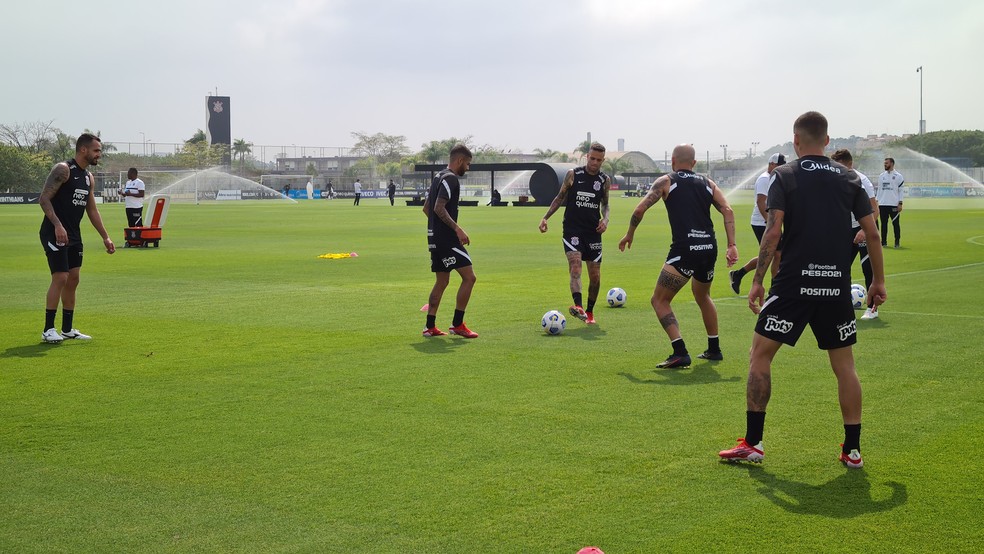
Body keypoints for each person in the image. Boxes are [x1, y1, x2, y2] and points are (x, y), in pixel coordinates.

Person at [718, 111, 887, 469]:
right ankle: (853, 451)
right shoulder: (851, 177)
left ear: (795, 141)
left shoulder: (785, 175)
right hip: (836, 286)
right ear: (827, 140)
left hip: (793, 284)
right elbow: (872, 233)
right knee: (845, 367)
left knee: (760, 355)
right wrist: (878, 281)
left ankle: (753, 443)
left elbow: (773, 231)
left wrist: (758, 280)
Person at [619, 144, 738, 367]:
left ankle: (680, 351)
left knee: (659, 300)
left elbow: (639, 209)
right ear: (694, 163)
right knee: (703, 296)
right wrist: (732, 245)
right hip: (708, 248)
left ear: (673, 161)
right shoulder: (708, 183)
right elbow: (728, 210)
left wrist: (629, 234)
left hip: (685, 250)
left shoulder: (666, 181)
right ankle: (714, 349)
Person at [38, 133, 116, 343]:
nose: (99, 154)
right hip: (53, 231)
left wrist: (105, 237)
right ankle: (48, 329)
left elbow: (92, 210)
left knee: (73, 279)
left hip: (73, 234)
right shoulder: (63, 169)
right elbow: (44, 199)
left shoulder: (88, 177)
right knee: (61, 277)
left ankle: (67, 329)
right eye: (96, 150)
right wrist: (57, 225)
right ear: (83, 150)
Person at [539, 142, 611, 325]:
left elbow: (605, 204)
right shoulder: (573, 174)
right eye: (592, 158)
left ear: (603, 160)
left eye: (599, 160)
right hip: (573, 230)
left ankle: (589, 311)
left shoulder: (604, 180)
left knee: (595, 277)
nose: (595, 162)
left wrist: (605, 220)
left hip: (593, 232)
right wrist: (546, 217)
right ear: (587, 157)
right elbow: (559, 197)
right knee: (576, 267)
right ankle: (578, 306)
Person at [422, 144, 478, 338]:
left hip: (434, 238)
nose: (468, 168)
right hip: (446, 240)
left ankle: (429, 327)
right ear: (460, 160)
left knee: (442, 280)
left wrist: (437, 228)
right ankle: (457, 324)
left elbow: (426, 208)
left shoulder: (438, 177)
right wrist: (456, 229)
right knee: (469, 278)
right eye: (467, 164)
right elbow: (438, 207)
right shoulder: (451, 178)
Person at [831, 149, 880, 320]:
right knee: (840, 268)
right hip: (846, 230)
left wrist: (863, 230)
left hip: (864, 228)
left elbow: (875, 210)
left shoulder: (862, 180)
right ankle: (842, 306)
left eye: (840, 165)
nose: (837, 168)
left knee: (868, 268)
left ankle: (872, 309)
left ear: (850, 164)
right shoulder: (835, 178)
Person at [729, 153, 786, 294]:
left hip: (767, 222)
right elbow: (761, 201)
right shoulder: (765, 179)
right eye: (779, 165)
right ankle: (775, 288)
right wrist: (769, 222)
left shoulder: (774, 177)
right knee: (776, 254)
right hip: (762, 222)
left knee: (770, 254)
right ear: (771, 164)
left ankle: (738, 274)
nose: (781, 168)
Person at [877, 157, 905, 248]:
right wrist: (877, 202)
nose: (885, 165)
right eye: (884, 163)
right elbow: (879, 190)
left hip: (894, 204)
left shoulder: (898, 176)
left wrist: (900, 203)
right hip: (883, 204)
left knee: (895, 224)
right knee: (883, 224)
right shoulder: (881, 176)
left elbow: (901, 191)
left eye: (887, 163)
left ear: (892, 164)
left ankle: (897, 242)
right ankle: (884, 242)